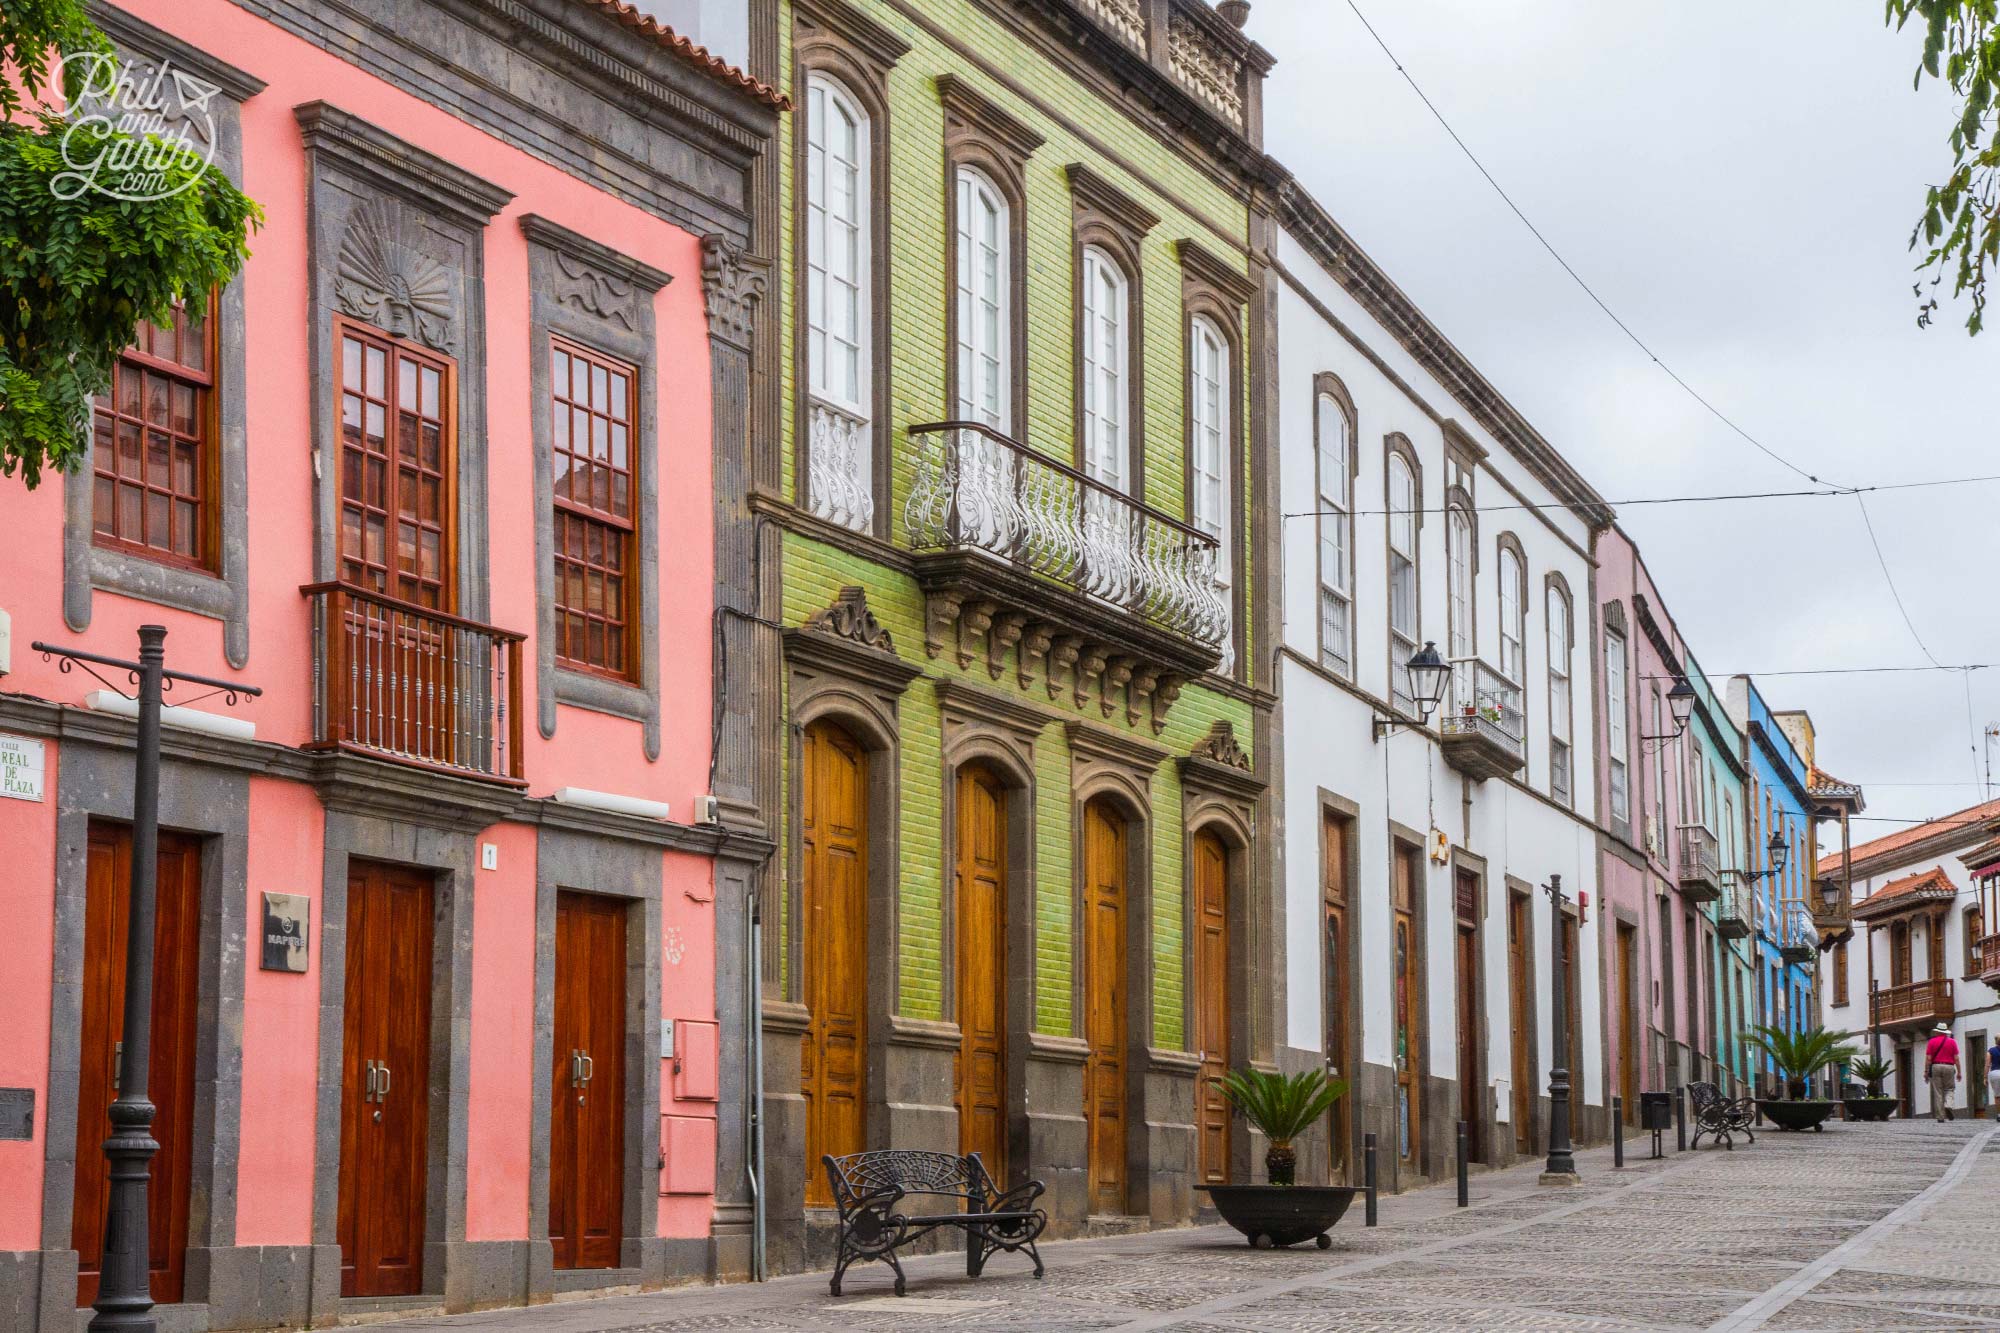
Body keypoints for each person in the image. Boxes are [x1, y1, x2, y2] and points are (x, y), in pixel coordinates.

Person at [1926, 1023, 1960, 1122]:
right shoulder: (1952, 1042)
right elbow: (1956, 1058)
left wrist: (1926, 1071)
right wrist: (1959, 1072)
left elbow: (1928, 1058)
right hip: (1949, 1066)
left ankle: (1940, 1117)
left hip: (1936, 1066)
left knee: (1938, 1092)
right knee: (1949, 1089)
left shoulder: (1932, 1042)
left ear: (1937, 1031)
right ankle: (1948, 1105)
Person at [1988, 1035, 2000, 1121]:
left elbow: (1987, 1064)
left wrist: (1985, 1077)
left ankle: (1999, 1115)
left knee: (1997, 1096)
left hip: (1995, 1073)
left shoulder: (1991, 1051)